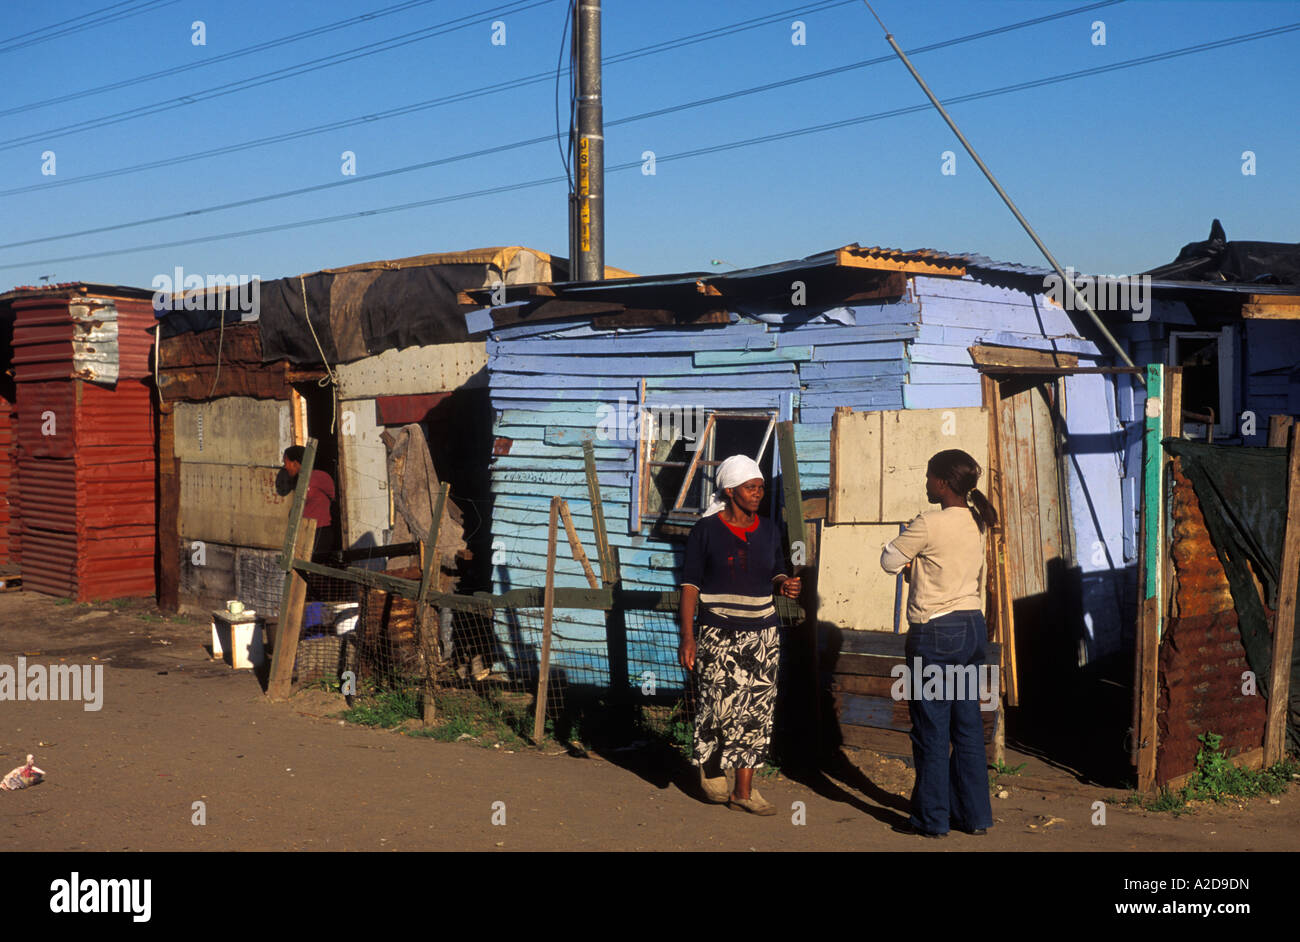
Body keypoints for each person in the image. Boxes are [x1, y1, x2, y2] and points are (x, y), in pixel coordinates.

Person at [880, 448, 998, 837]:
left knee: (931, 729)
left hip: (936, 633)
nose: (926, 483)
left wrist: (915, 567)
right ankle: (975, 817)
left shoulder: (928, 523)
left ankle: (932, 820)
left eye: (930, 476)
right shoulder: (977, 521)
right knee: (966, 728)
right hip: (972, 630)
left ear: (943, 483)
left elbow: (888, 561)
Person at [679, 454, 801, 815]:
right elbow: (689, 586)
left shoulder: (769, 529)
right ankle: (713, 764)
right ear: (730, 491)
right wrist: (688, 637)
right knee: (717, 706)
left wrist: (784, 584)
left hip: (762, 635)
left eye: (761, 487)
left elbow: (776, 569)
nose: (758, 493)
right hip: (718, 633)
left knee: (756, 711)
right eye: (751, 487)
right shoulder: (705, 532)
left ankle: (743, 792)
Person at [281, 445, 337, 561]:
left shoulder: (320, 477)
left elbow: (333, 496)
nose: (285, 467)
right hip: (303, 532)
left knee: (317, 568)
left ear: (295, 463)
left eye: (286, 462)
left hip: (320, 531)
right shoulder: (297, 481)